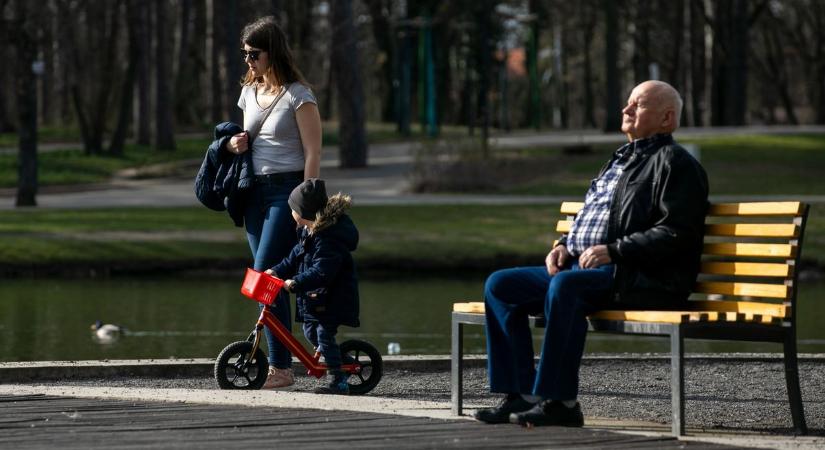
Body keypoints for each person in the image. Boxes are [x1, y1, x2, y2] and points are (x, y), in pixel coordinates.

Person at [474, 80, 709, 427]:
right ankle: (522, 393)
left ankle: (561, 402)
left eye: (638, 105)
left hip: (639, 275)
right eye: (628, 103)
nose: (627, 110)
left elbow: (676, 232)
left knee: (566, 288)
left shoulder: (675, 163)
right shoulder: (619, 160)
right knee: (501, 286)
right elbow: (592, 217)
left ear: (666, 118)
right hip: (589, 269)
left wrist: (615, 251)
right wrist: (562, 247)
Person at [226, 16, 322, 390]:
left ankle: (283, 366)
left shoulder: (300, 95)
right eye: (244, 54)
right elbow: (245, 136)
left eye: (254, 54)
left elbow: (314, 152)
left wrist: (308, 204)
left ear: (273, 53)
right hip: (255, 192)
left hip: (288, 192)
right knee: (270, 280)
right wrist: (235, 144)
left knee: (263, 274)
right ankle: (281, 368)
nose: (248, 61)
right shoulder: (248, 91)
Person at [267, 179, 360, 395]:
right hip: (316, 298)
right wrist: (277, 270)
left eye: (293, 210)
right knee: (311, 332)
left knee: (323, 335)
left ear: (305, 211)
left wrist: (296, 282)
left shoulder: (328, 239)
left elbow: (322, 271)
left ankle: (338, 381)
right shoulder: (307, 231)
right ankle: (340, 360)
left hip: (333, 298)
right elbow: (293, 257)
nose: (290, 214)